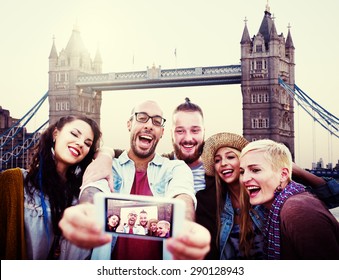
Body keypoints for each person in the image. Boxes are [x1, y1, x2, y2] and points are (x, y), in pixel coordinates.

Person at [81, 97, 339, 259]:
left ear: (204, 131)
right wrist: (103, 153)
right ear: (168, 133)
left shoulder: (230, 175)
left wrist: (288, 166)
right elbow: (132, 156)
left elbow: (328, 196)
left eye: (195, 130)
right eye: (180, 130)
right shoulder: (168, 167)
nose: (188, 138)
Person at [59, 100, 211, 260]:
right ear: (129, 124)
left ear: (162, 132)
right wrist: (86, 210)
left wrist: (185, 226)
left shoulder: (176, 168)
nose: (149, 125)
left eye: (157, 121)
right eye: (142, 117)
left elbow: (183, 197)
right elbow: (93, 189)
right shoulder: (109, 166)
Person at [0, 115, 102, 260]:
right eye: (74, 134)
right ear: (55, 134)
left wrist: (106, 154)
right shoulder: (15, 183)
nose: (80, 144)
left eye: (87, 143)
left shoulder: (83, 194)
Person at [239, 139, 339, 259]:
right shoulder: (277, 206)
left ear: (283, 175)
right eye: (242, 172)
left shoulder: (298, 211)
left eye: (255, 170)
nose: (244, 179)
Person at [201, 132, 264, 259]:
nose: (223, 163)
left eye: (230, 157)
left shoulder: (263, 197)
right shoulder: (219, 204)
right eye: (217, 160)